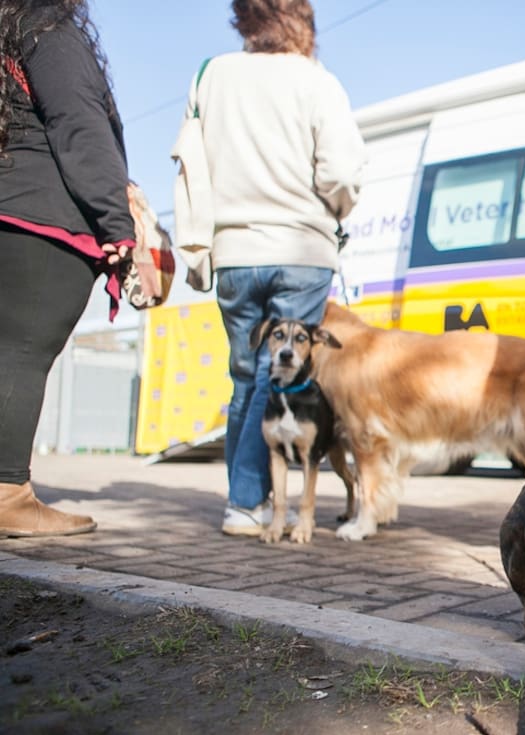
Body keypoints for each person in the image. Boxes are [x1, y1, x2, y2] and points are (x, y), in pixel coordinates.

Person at [186, 0, 366, 536]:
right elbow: (341, 172)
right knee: (280, 371)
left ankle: (245, 503)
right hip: (301, 249)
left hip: (234, 251)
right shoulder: (316, 80)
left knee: (247, 374)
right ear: (302, 21)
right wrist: (336, 208)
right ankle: (253, 502)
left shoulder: (212, 75)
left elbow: (191, 159)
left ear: (244, 18)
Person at [0, 0, 135, 537]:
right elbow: (78, 122)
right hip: (42, 220)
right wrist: (116, 221)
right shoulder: (46, 29)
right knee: (24, 351)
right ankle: (9, 493)